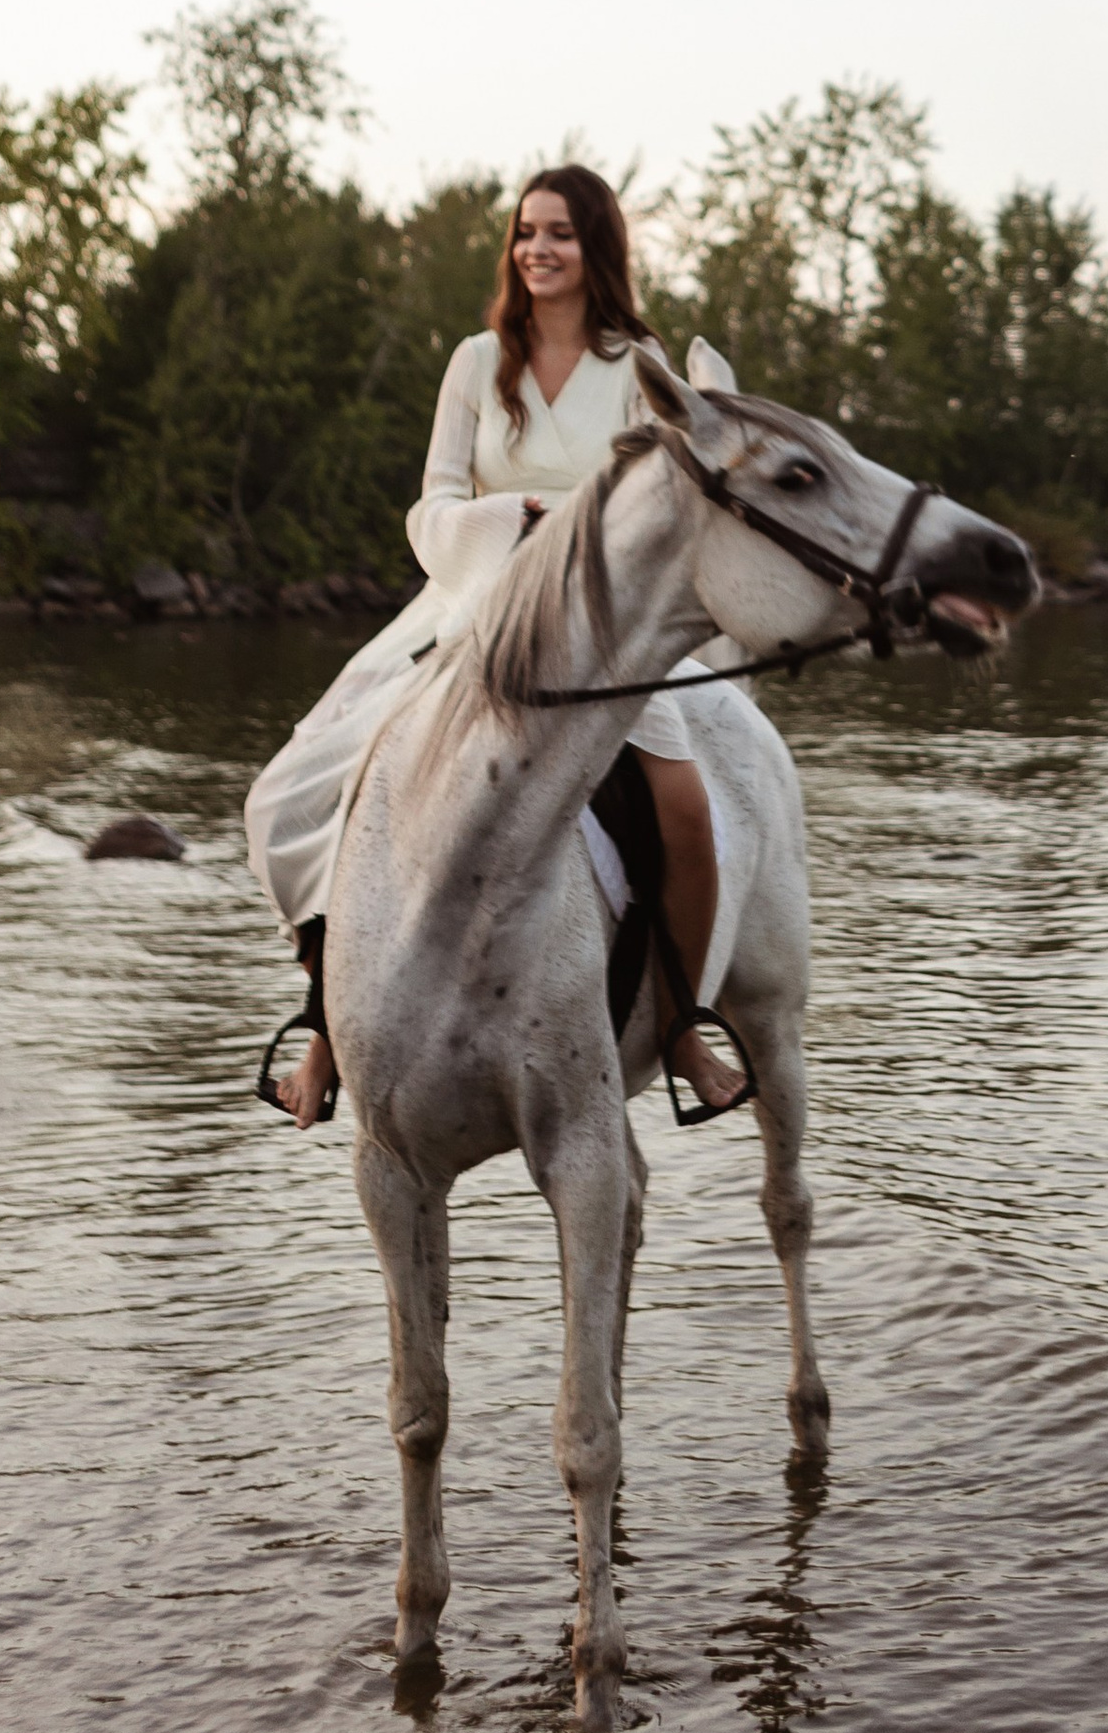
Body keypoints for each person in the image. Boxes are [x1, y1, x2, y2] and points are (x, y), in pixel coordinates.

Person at [245, 166, 749, 1132]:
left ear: (596, 246)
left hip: (601, 624)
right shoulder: (479, 361)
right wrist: (497, 520)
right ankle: (326, 1023)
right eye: (525, 234)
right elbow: (428, 504)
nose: (537, 251)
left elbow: (660, 507)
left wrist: (565, 525)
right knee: (289, 795)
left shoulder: (640, 362)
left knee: (686, 814)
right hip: (470, 610)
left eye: (559, 234)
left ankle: (684, 1025)